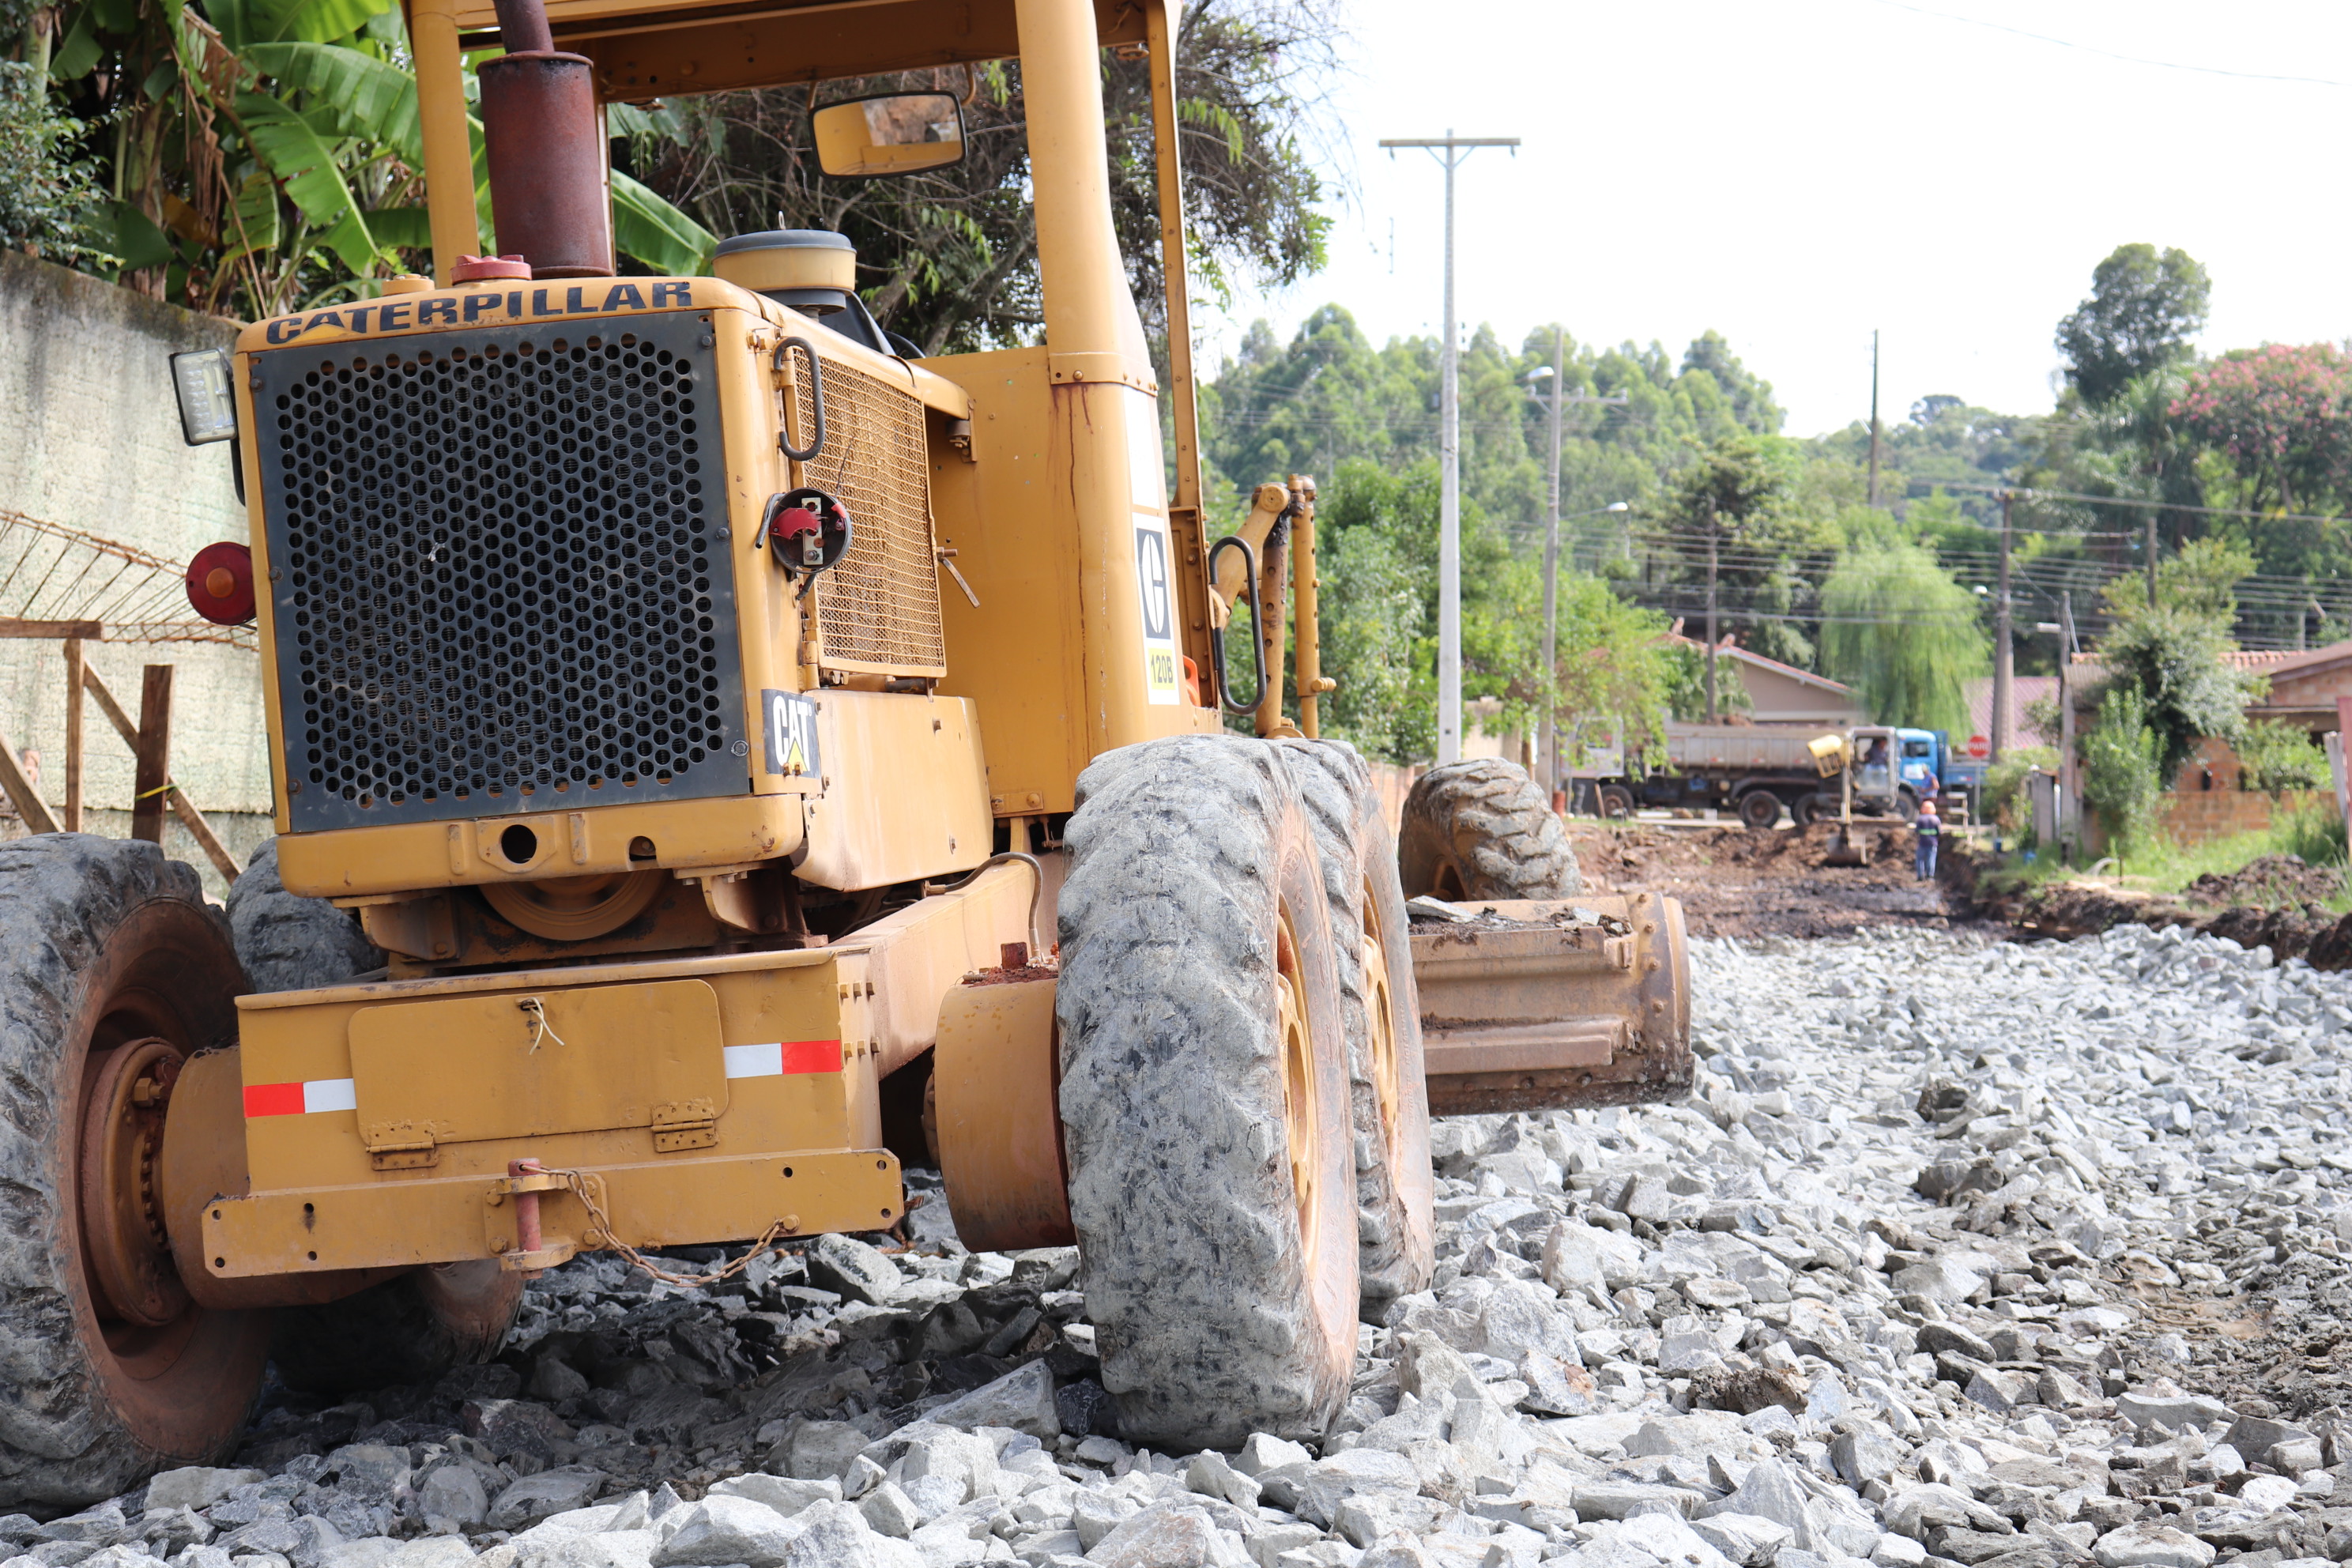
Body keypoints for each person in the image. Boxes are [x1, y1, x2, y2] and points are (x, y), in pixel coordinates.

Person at [1913, 796, 1940, 880]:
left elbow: (1916, 831)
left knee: (1920, 860)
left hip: (1922, 843)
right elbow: (1939, 832)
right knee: (1931, 859)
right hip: (1932, 843)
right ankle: (1930, 876)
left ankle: (1920, 876)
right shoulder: (1936, 819)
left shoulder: (1920, 819)